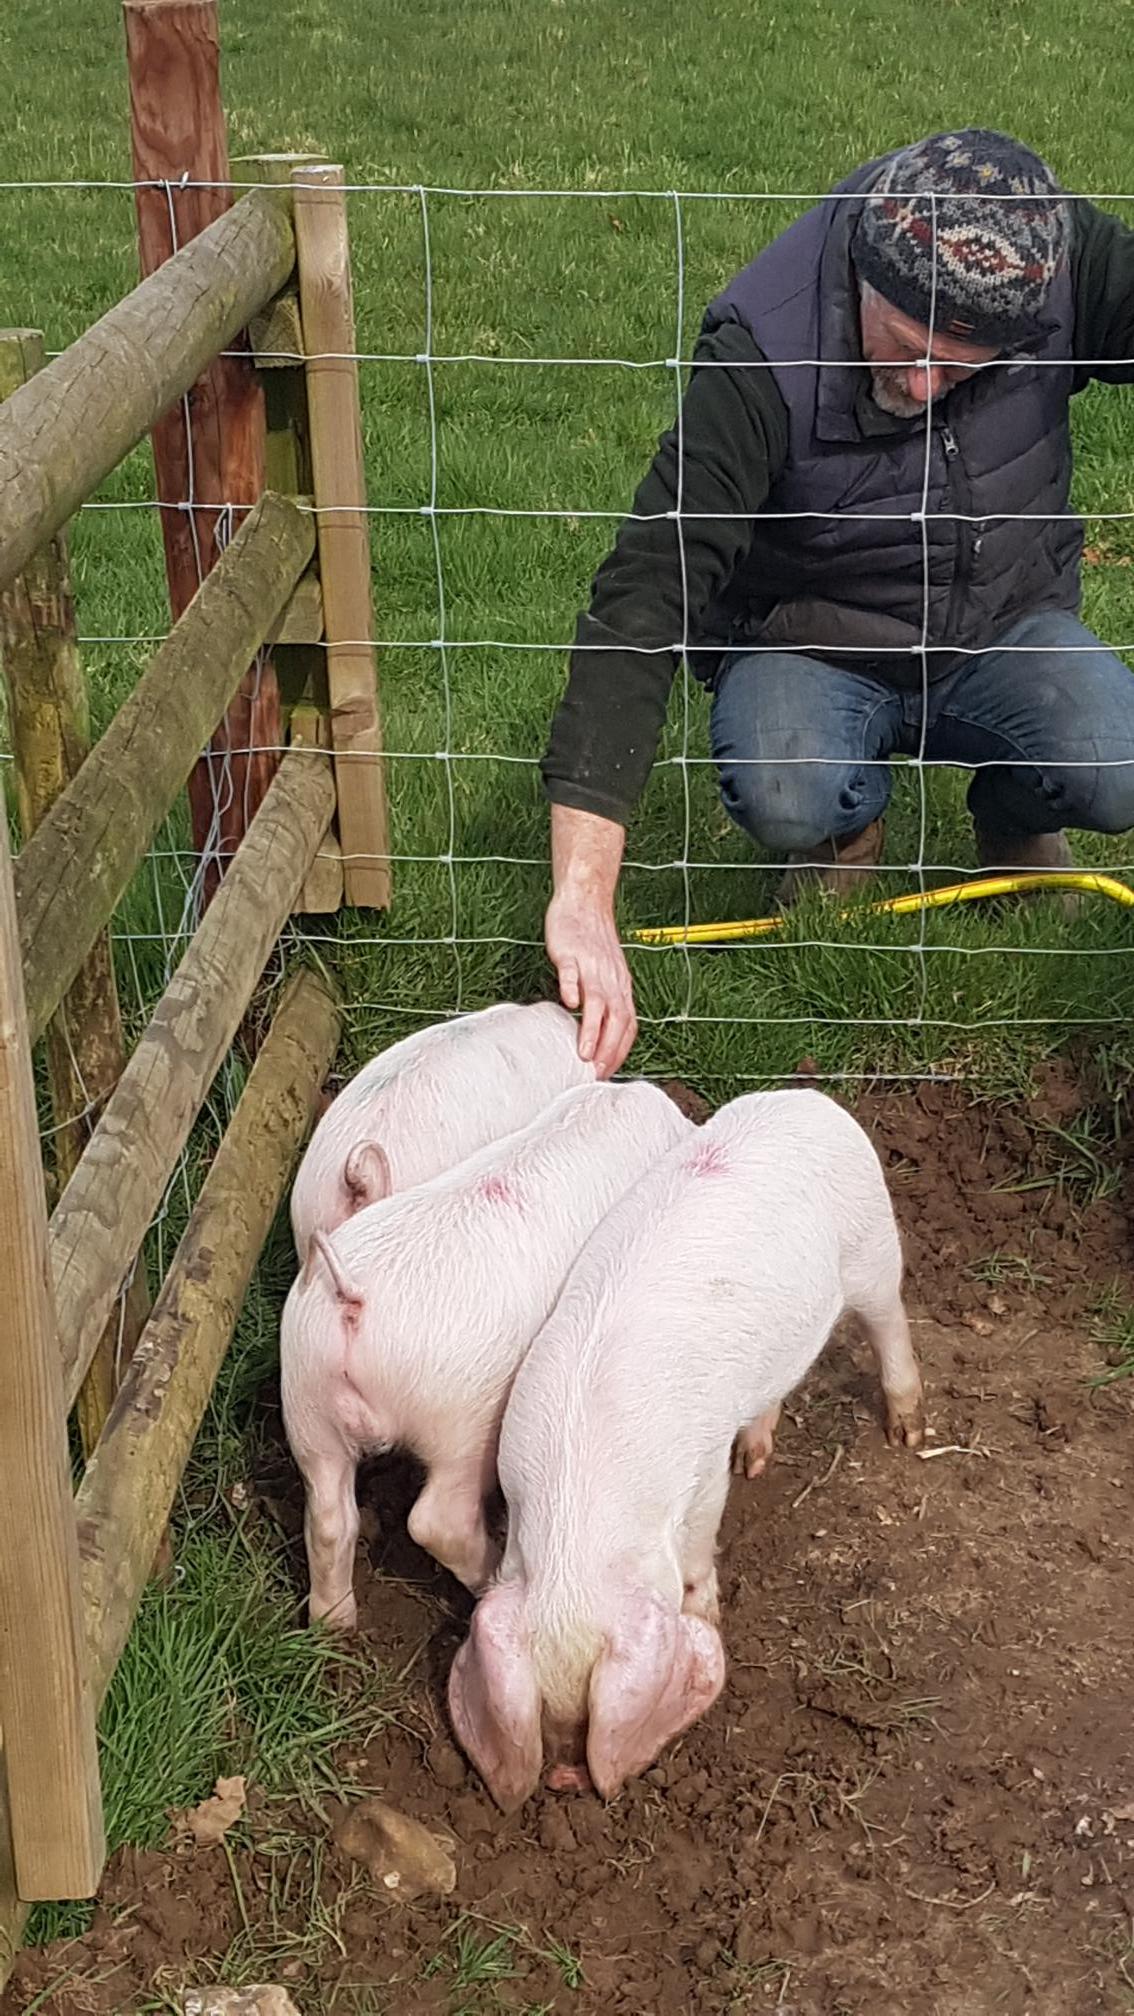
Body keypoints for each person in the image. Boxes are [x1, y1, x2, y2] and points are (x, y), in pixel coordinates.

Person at [539, 129, 1134, 1076]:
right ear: (863, 273)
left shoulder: (1052, 270)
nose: (923, 385)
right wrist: (582, 897)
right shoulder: (763, 353)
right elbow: (647, 592)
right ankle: (842, 831)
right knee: (785, 787)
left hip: (1002, 621)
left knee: (1118, 762)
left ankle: (1017, 819)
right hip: (811, 636)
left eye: (960, 367)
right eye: (905, 347)